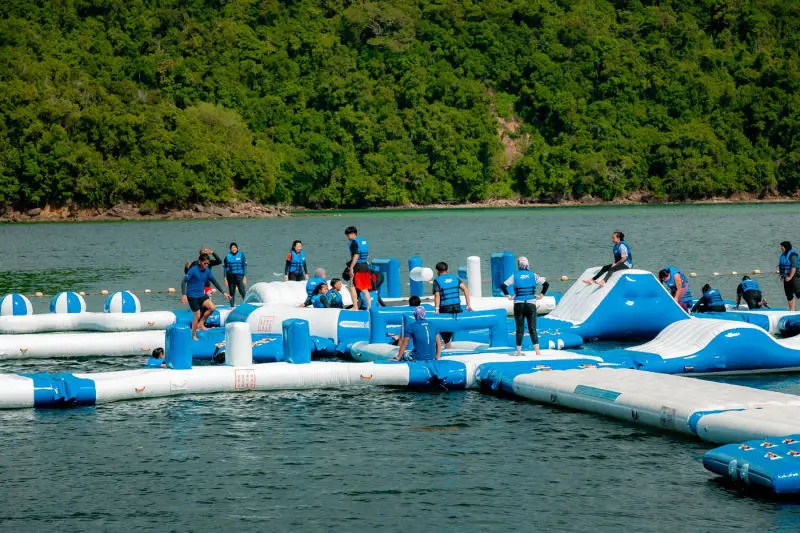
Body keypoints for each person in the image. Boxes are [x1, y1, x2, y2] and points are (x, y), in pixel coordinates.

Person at [501, 256, 549, 356]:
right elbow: (546, 284)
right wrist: (541, 295)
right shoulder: (534, 275)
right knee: (532, 328)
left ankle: (518, 352)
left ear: (518, 265)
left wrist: (509, 296)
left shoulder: (514, 276)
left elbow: (503, 286)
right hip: (531, 304)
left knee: (520, 329)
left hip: (519, 304)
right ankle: (537, 352)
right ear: (527, 264)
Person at [182, 253, 230, 340]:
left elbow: (214, 281)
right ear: (200, 262)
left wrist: (223, 292)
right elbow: (183, 282)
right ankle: (193, 335)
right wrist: (184, 295)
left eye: (207, 263)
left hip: (201, 295)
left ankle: (201, 323)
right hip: (192, 296)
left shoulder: (207, 270)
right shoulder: (193, 270)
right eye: (205, 263)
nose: (206, 265)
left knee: (212, 307)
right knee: (197, 315)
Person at [433, 261, 472, 348]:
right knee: (452, 323)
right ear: (447, 270)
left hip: (445, 308)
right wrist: (468, 305)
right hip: (457, 307)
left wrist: (436, 309)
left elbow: (437, 295)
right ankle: (448, 343)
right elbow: (465, 289)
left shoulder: (437, 280)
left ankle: (447, 344)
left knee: (441, 325)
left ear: (437, 271)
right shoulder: (455, 278)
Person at [345, 226, 371, 310]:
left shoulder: (354, 242)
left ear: (353, 234)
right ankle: (370, 307)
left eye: (348, 235)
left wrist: (351, 267)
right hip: (365, 266)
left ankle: (355, 307)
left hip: (357, 266)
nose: (348, 237)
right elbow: (367, 255)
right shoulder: (363, 241)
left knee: (352, 286)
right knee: (364, 288)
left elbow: (356, 255)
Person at [223, 242, 247, 307]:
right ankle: (232, 306)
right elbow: (225, 268)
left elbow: (244, 266)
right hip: (230, 277)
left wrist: (244, 277)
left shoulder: (241, 255)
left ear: (237, 248)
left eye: (234, 247)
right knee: (231, 292)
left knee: (242, 291)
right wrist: (225, 278)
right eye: (232, 248)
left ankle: (247, 304)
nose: (233, 249)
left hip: (239, 276)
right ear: (230, 249)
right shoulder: (227, 256)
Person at [779, 241, 800, 311]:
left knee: (798, 292)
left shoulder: (793, 255)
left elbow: (794, 267)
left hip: (794, 276)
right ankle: (792, 310)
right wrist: (782, 276)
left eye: (782, 246)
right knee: (788, 294)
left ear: (786, 247)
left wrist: (790, 277)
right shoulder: (783, 255)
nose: (781, 248)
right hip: (786, 276)